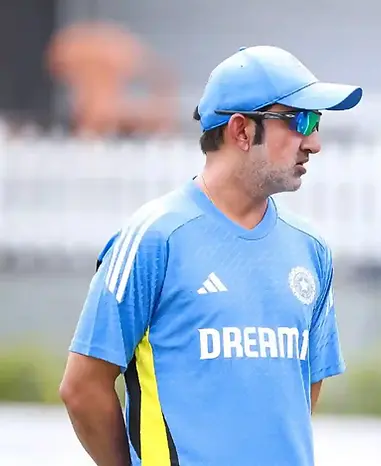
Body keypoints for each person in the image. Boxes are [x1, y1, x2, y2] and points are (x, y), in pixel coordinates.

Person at [59, 45, 362, 466]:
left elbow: (298, 393)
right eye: (300, 120)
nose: (314, 142)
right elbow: (83, 389)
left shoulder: (310, 249)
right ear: (241, 131)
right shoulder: (155, 238)